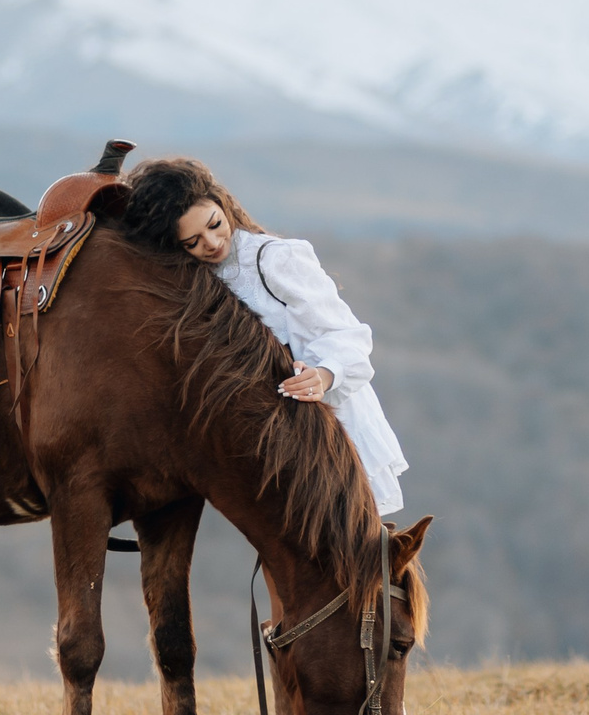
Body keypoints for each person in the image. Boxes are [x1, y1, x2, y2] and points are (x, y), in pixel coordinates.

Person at [122, 157, 408, 517]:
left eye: (215, 224)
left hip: (330, 423)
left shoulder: (276, 259)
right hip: (270, 438)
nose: (211, 243)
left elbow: (345, 333)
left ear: (224, 205)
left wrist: (324, 374)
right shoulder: (193, 277)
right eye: (193, 241)